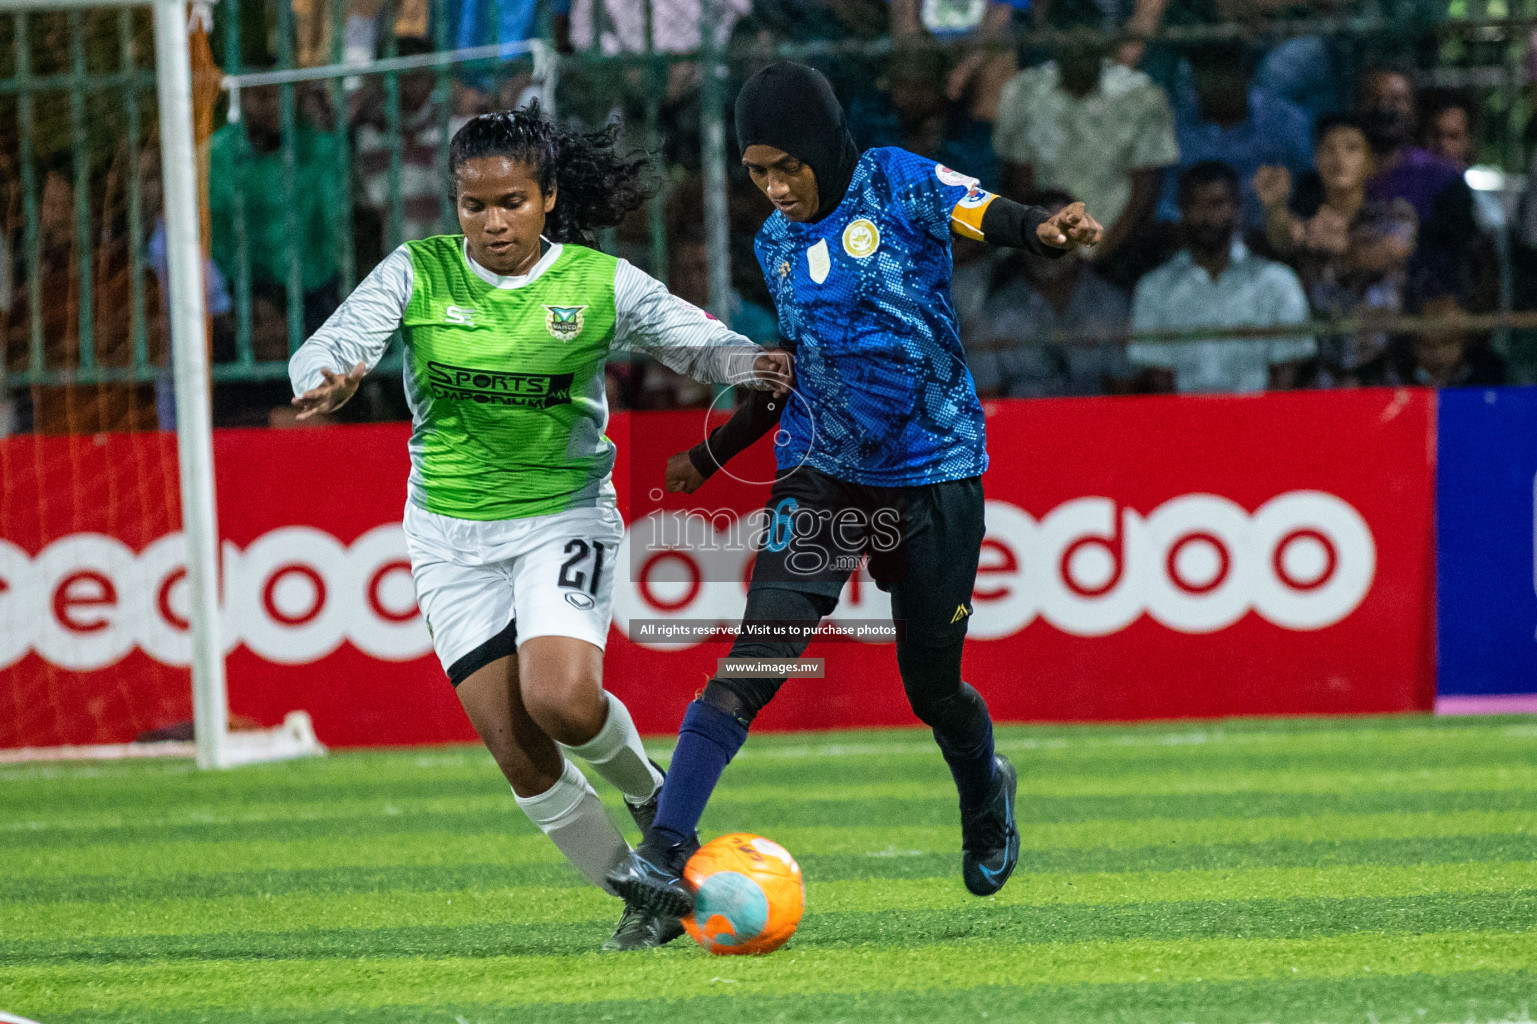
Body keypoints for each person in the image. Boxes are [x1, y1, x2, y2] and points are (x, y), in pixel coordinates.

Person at [286, 106, 791, 951]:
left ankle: (653, 799)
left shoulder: (597, 283)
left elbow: (696, 342)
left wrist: (749, 362)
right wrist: (326, 376)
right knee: (518, 751)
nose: (491, 224)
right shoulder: (417, 272)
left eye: (511, 203)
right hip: (448, 534)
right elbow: (337, 341)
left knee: (557, 698)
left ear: (548, 198)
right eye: (473, 205)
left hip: (563, 515)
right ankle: (642, 898)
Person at [605, 62, 1101, 916]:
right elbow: (796, 368)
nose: (774, 186)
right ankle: (662, 852)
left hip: (932, 471)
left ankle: (984, 789)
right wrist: (718, 451)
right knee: (756, 657)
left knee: (931, 690)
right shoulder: (774, 243)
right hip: (823, 476)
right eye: (756, 171)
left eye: (785, 165)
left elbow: (981, 210)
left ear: (822, 147)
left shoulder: (896, 180)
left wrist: (1039, 230)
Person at [993, 30, 1177, 283]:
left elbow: (1144, 195)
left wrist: (1097, 256)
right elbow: (1019, 186)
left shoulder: (1141, 94)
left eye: (1089, 34)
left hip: (1118, 253)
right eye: (1070, 32)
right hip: (1041, 249)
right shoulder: (1023, 91)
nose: (1079, 47)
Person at [1254, 115, 1417, 385]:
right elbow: (1283, 238)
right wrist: (1275, 207)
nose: (1339, 158)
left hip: (1382, 374)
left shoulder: (1395, 215)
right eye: (1329, 149)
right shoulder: (1309, 220)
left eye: (1351, 148)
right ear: (1316, 159)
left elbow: (1380, 255)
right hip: (1318, 377)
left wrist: (1339, 244)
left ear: (1371, 163)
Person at [1130, 161, 1313, 393]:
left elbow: (1286, 373)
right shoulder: (1154, 289)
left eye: (1217, 204)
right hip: (1185, 422)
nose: (1206, 216)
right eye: (1194, 204)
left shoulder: (1277, 283)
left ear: (1238, 208)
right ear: (1181, 210)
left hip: (1259, 420)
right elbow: (1158, 377)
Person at [965, 189, 1133, 397]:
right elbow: (987, 402)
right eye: (1040, 234)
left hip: (1097, 424)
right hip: (1024, 425)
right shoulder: (993, 314)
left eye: (1062, 233)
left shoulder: (1111, 303)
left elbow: (1124, 394)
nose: (1049, 245)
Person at [1157, 40, 1313, 232]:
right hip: (1197, 240)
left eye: (1227, 70)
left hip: (1273, 239)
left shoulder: (1285, 120)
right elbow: (1166, 203)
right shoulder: (1177, 126)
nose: (1218, 82)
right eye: (1208, 71)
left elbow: (1312, 183)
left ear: (1249, 73)